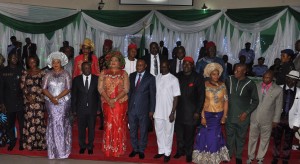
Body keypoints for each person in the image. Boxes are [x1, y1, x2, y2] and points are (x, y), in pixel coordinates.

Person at [193, 63, 230, 164]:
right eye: (214, 74)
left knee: (214, 135)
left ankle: (214, 157)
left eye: (217, 74)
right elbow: (201, 102)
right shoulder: (204, 85)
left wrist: (224, 116)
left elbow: (226, 101)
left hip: (218, 115)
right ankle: (205, 156)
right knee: (206, 135)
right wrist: (203, 116)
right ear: (209, 75)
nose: (216, 76)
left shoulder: (223, 85)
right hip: (207, 114)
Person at [225, 63, 259, 164]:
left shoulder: (250, 83)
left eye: (238, 71)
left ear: (244, 71)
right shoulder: (229, 80)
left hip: (242, 117)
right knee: (230, 136)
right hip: (229, 115)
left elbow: (255, 101)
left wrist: (246, 113)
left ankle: (238, 156)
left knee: (241, 137)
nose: (235, 72)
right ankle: (229, 154)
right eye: (235, 70)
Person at [247, 70, 283, 164]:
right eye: (264, 77)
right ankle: (250, 156)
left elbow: (279, 106)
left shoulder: (278, 90)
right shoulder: (257, 85)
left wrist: (276, 120)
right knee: (252, 138)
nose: (265, 79)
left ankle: (260, 158)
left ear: (272, 78)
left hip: (268, 119)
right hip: (254, 117)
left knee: (265, 139)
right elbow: (251, 101)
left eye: (268, 78)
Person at [98, 51, 129, 157]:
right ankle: (108, 148)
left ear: (120, 62)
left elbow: (126, 89)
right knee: (108, 123)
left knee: (118, 124)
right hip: (107, 103)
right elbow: (100, 88)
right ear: (108, 62)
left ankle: (118, 148)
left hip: (120, 102)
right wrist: (108, 99)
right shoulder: (103, 72)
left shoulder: (123, 73)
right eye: (112, 60)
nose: (114, 62)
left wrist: (115, 99)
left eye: (116, 60)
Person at [42, 52, 72, 159]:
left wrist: (57, 98)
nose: (55, 64)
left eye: (58, 62)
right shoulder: (47, 74)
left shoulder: (66, 74)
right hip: (50, 103)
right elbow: (44, 89)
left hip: (63, 102)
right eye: (54, 62)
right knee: (53, 123)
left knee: (61, 123)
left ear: (61, 63)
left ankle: (63, 150)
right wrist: (52, 98)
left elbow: (68, 88)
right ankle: (53, 151)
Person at [175, 57, 205, 162]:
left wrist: (198, 111)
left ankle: (188, 153)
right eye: (184, 64)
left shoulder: (198, 77)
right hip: (178, 111)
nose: (186, 66)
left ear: (192, 65)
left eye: (188, 64)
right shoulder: (177, 76)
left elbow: (201, 96)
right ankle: (180, 151)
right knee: (179, 134)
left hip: (191, 112)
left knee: (189, 135)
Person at [128, 59, 156, 159]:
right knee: (132, 130)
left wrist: (152, 110)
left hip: (144, 109)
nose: (139, 67)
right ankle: (135, 148)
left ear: (145, 66)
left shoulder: (150, 78)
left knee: (143, 130)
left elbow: (153, 95)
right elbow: (130, 92)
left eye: (141, 65)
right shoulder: (131, 76)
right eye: (137, 65)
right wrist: (128, 107)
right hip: (132, 109)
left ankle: (141, 150)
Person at [153, 60, 181, 163]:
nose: (163, 68)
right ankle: (161, 150)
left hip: (169, 111)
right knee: (159, 131)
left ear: (169, 66)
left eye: (165, 66)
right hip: (158, 110)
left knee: (168, 132)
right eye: (162, 66)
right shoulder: (157, 77)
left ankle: (167, 153)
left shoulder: (174, 79)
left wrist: (173, 112)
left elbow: (176, 97)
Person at [272, 70, 300, 164]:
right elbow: (273, 105)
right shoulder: (278, 88)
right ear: (286, 78)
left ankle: (285, 158)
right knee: (276, 139)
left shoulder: (299, 92)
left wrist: (297, 124)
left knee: (288, 141)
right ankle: (275, 157)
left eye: (294, 80)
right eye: (290, 79)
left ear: (297, 81)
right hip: (278, 118)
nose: (292, 81)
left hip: (291, 120)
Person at [72, 62, 99, 155]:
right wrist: (74, 109)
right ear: (82, 69)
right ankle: (82, 146)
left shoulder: (96, 79)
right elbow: (74, 95)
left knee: (91, 128)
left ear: (91, 68)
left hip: (92, 108)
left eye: (88, 67)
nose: (87, 69)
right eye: (85, 68)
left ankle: (90, 146)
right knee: (81, 128)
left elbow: (99, 95)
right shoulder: (76, 80)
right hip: (80, 109)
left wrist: (99, 108)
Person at [20, 55, 47, 151]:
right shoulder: (25, 72)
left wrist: (37, 96)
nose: (32, 64)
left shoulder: (42, 73)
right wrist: (28, 97)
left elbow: (45, 87)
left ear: (37, 62)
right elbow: (22, 86)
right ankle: (30, 143)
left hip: (39, 101)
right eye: (30, 62)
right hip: (28, 101)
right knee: (30, 121)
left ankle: (40, 143)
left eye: (33, 62)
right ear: (28, 63)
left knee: (39, 121)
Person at [0, 52, 24, 151]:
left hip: (21, 102)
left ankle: (22, 142)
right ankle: (12, 141)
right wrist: (1, 103)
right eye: (12, 57)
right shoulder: (3, 71)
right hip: (8, 102)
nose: (15, 58)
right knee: (10, 124)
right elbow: (1, 88)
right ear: (9, 59)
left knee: (22, 124)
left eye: (16, 57)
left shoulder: (22, 70)